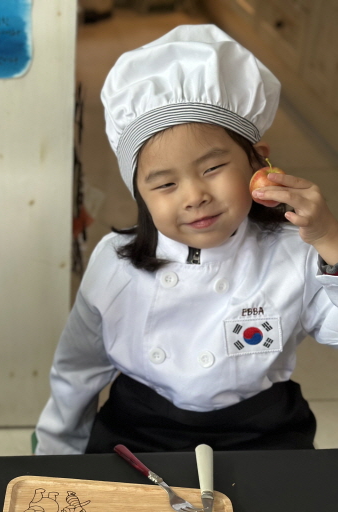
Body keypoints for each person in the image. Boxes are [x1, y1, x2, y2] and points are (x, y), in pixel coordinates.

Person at [35, 24, 338, 454]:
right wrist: (58, 449)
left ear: (257, 160)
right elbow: (78, 368)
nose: (195, 196)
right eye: (164, 184)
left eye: (212, 168)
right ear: (139, 193)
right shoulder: (115, 264)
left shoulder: (297, 252)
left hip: (262, 431)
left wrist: (330, 239)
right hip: (140, 428)